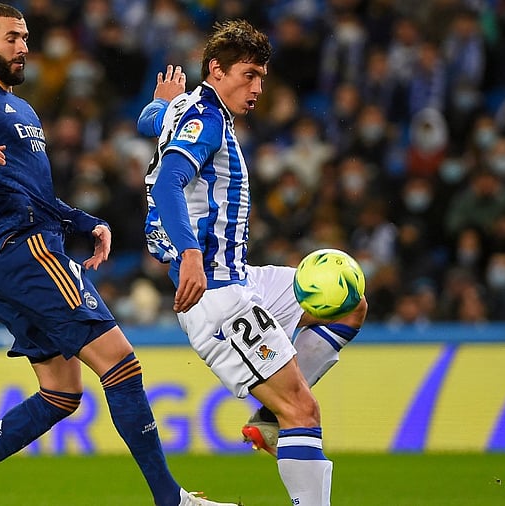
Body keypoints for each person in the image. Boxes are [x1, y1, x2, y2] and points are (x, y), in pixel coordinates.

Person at [0, 5, 238, 506]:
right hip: (28, 250)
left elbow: (32, 192)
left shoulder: (23, 109)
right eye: (12, 37)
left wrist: (84, 221)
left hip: (20, 251)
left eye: (25, 38)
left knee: (61, 394)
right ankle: (172, 500)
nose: (23, 47)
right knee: (122, 367)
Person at [137, 20, 368, 506]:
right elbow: (167, 183)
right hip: (216, 293)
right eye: (248, 75)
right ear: (215, 71)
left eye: (262, 77)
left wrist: (159, 104)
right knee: (303, 411)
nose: (258, 88)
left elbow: (149, 124)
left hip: (243, 278)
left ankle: (268, 420)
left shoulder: (187, 109)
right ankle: (285, 421)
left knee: (350, 302)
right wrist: (192, 255)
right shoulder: (205, 119)